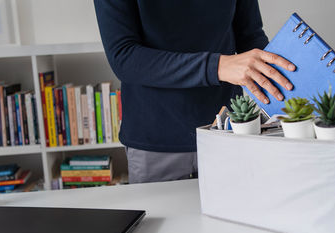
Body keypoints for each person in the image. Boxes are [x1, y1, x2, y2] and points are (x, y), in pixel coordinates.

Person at [94, 0, 295, 183]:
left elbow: (251, 38)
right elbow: (124, 58)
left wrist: (290, 87)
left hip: (228, 132)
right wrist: (217, 66)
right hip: (155, 141)